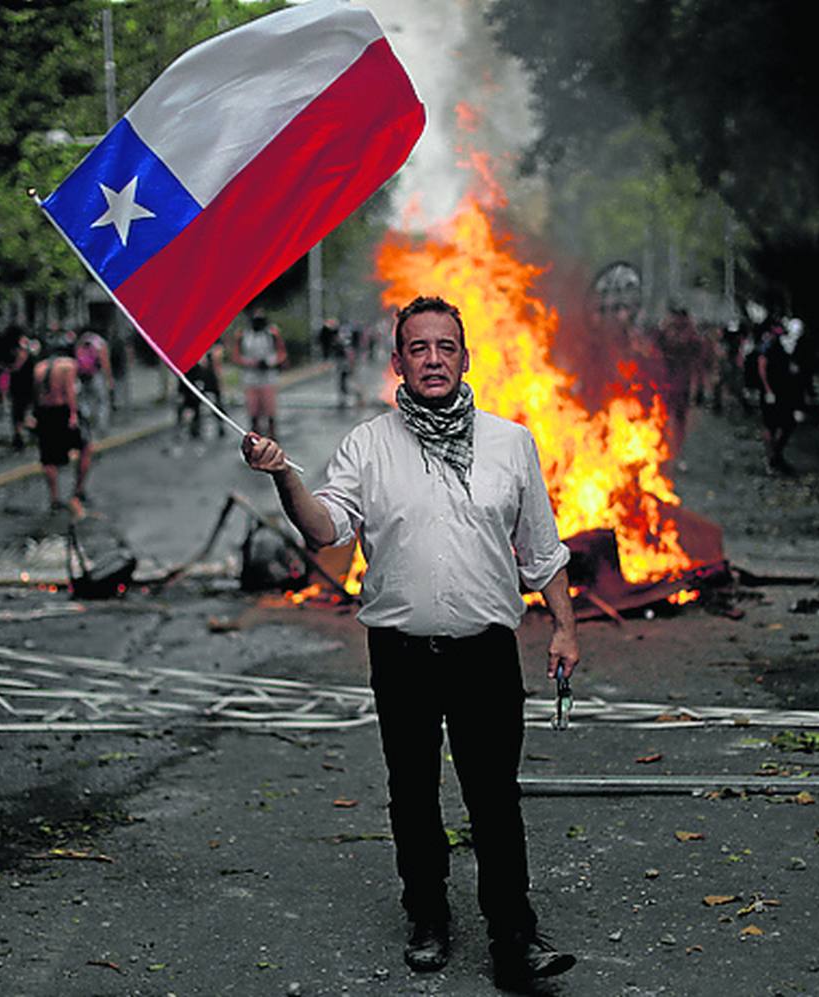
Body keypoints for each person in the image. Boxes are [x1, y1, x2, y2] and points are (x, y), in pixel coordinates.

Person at [241, 295, 579, 988]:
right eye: (418, 348)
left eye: (445, 347)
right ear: (399, 361)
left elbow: (541, 550)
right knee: (413, 793)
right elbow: (325, 528)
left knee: (494, 796)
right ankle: (427, 915)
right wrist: (284, 474)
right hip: (400, 653)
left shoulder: (510, 442)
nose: (432, 359)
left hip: (486, 651)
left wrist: (566, 626)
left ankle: (514, 934)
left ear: (464, 356)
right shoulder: (369, 444)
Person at [31, 339, 93, 513]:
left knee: (49, 457)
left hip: (45, 413)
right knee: (86, 448)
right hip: (63, 411)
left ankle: (54, 498)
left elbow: (36, 395)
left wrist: (35, 417)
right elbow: (69, 391)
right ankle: (78, 490)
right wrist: (73, 414)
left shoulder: (39, 368)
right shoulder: (68, 365)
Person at [232, 308, 287, 438]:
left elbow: (282, 353)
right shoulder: (243, 335)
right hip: (250, 377)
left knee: (270, 408)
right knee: (253, 409)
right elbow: (236, 356)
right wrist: (250, 363)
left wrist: (270, 362)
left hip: (268, 377)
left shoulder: (272, 334)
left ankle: (272, 436)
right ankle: (255, 437)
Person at [756, 321, 797, 473]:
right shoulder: (767, 346)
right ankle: (771, 459)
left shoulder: (786, 347)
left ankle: (776, 455)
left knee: (787, 424)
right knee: (770, 426)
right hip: (771, 392)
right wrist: (768, 390)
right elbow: (762, 368)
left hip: (783, 391)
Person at [178, 339, 226, 439]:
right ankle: (194, 426)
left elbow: (218, 351)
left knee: (215, 401)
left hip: (206, 374)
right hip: (193, 372)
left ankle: (220, 424)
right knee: (192, 400)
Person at [75, 329, 114, 433]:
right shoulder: (99, 342)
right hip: (97, 375)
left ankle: (87, 423)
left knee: (86, 400)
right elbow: (105, 361)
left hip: (83, 377)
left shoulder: (81, 341)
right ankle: (102, 427)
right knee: (102, 401)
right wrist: (109, 379)